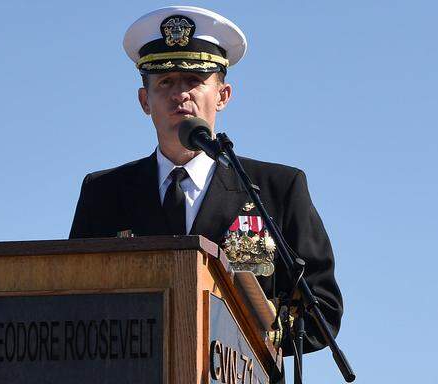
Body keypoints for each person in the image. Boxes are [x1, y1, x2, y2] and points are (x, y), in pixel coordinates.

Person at [69, 5, 342, 359]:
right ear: (144, 101)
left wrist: (244, 338)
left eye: (194, 81)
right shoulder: (104, 193)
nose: (180, 93)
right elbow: (75, 302)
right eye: (165, 81)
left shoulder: (276, 189)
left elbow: (321, 310)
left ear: (223, 95)